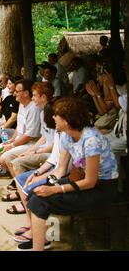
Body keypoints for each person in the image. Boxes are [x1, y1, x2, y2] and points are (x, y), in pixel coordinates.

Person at [22, 98, 118, 251]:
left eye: (56, 115)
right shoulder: (67, 135)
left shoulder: (91, 140)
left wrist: (55, 189)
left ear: (66, 120)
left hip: (101, 188)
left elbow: (90, 182)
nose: (53, 117)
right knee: (34, 193)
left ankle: (38, 247)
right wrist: (47, 182)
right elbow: (63, 169)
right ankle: (39, 240)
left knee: (41, 201)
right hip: (81, 179)